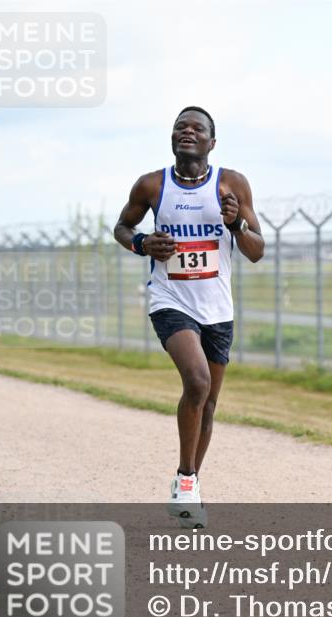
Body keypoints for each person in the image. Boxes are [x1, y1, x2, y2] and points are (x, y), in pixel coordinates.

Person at [114, 106, 264, 528]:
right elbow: (121, 228)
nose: (188, 131)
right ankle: (184, 480)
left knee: (210, 403)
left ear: (211, 143)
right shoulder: (152, 185)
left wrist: (235, 226)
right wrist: (142, 243)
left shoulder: (231, 184)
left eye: (198, 128)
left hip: (218, 308)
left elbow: (257, 250)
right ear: (173, 138)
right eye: (181, 126)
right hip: (170, 300)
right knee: (196, 381)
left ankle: (191, 486)